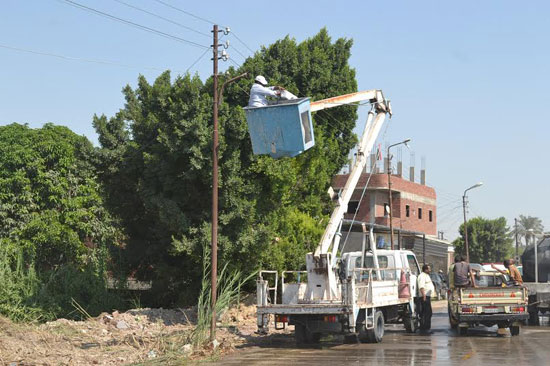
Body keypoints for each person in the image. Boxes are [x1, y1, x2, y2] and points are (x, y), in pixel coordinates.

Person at [417, 264, 435, 333]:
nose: (430, 270)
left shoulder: (426, 276)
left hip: (427, 296)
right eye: (429, 269)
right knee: (426, 313)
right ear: (425, 269)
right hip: (424, 297)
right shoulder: (421, 276)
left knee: (428, 313)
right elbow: (421, 286)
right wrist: (424, 295)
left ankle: (426, 327)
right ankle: (425, 328)